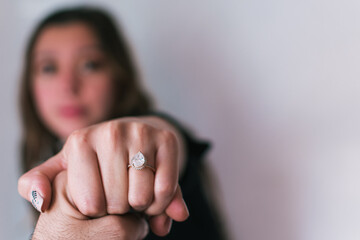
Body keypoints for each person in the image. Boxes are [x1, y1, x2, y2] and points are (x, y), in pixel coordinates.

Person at [17, 6, 224, 239]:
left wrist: (151, 144)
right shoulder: (39, 162)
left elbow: (161, 136)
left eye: (90, 64)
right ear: (29, 86)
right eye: (49, 68)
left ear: (118, 76)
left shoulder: (160, 136)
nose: (68, 85)